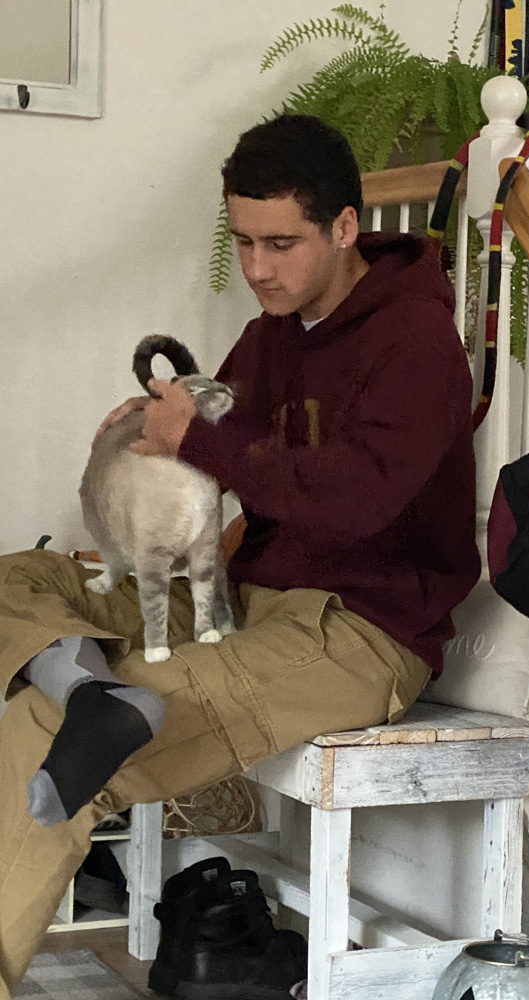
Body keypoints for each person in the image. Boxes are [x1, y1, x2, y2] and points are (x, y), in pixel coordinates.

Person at [0, 114, 480, 995]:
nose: (257, 268)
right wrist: (145, 430)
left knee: (45, 738)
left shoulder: (416, 343)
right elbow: (219, 449)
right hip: (240, 598)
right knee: (17, 577)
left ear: (344, 227)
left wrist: (197, 439)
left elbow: (354, 500)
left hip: (357, 633)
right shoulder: (275, 333)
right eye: (244, 241)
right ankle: (91, 688)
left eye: (281, 244)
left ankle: (85, 701)